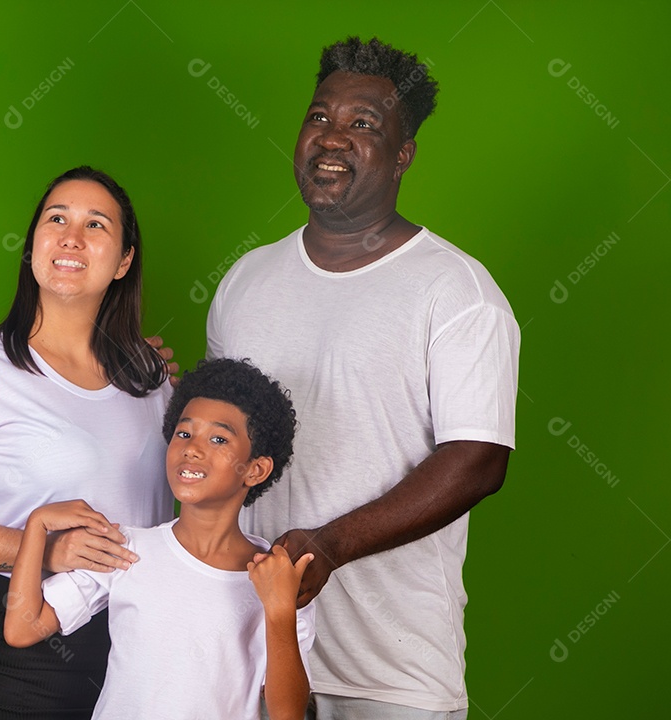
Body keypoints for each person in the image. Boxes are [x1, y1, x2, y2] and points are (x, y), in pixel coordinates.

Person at [207, 37, 520, 719]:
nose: (332, 137)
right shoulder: (245, 282)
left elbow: (478, 460)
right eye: (320, 117)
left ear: (404, 154)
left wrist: (330, 545)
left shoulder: (456, 291)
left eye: (364, 124)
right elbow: (214, 443)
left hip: (388, 675)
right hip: (251, 660)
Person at [0, 166, 173, 719]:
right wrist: (43, 549)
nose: (71, 237)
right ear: (33, 245)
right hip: (12, 658)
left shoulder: (153, 377)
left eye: (96, 224)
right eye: (56, 219)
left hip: (134, 647)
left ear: (124, 261)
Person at [4, 358, 316, 720]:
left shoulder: (277, 575)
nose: (192, 448)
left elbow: (287, 714)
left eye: (218, 439)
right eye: (184, 433)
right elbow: (22, 628)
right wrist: (37, 526)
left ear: (255, 469)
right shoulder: (126, 549)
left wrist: (279, 610)